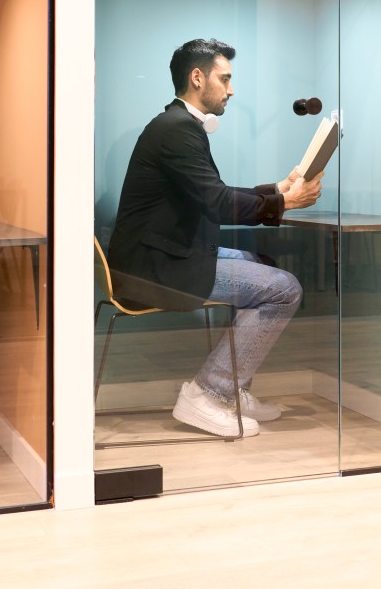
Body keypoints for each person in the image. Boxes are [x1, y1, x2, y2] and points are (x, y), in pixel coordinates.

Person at [107, 38, 323, 437]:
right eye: (225, 79)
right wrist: (286, 203)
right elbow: (218, 204)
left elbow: (212, 193)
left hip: (165, 254)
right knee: (284, 288)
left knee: (264, 267)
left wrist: (277, 188)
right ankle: (208, 393)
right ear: (197, 77)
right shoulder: (177, 130)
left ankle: (231, 388)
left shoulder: (176, 125)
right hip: (153, 269)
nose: (232, 89)